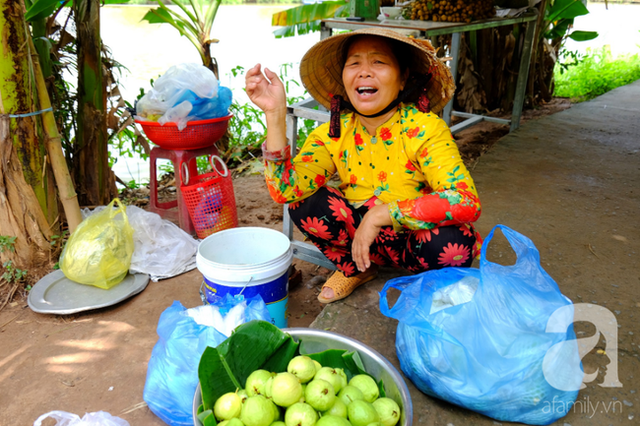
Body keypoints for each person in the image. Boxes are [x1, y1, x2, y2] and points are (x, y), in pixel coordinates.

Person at [245, 28, 482, 304]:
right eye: (354, 63)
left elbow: (466, 202)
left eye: (378, 62)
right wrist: (274, 114)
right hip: (360, 242)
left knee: (454, 242)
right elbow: (285, 190)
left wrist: (381, 214)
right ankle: (358, 268)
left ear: (403, 77)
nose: (365, 72)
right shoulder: (333, 133)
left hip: (414, 242)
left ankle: (424, 281)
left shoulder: (425, 128)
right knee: (304, 203)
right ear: (344, 79)